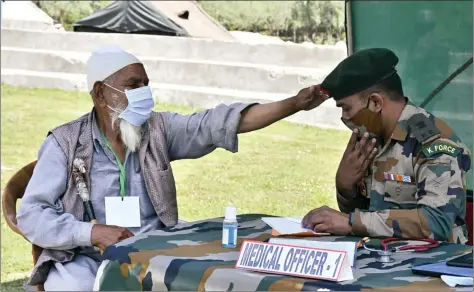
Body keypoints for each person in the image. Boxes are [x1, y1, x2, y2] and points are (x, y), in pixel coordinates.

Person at [16, 45, 327, 291]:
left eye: (146, 85)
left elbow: (214, 124)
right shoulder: (65, 143)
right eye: (133, 85)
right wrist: (91, 232)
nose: (144, 93)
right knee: (74, 287)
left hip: (156, 248)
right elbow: (31, 213)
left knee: (213, 273)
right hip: (87, 255)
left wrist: (293, 105)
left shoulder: (158, 129)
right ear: (101, 93)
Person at [302, 48, 471, 244]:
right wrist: (346, 190)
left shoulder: (434, 143)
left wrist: (351, 222)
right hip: (384, 257)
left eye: (346, 108)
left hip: (433, 265)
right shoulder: (373, 138)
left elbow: (436, 222)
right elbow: (369, 218)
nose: (344, 117)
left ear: (375, 102)